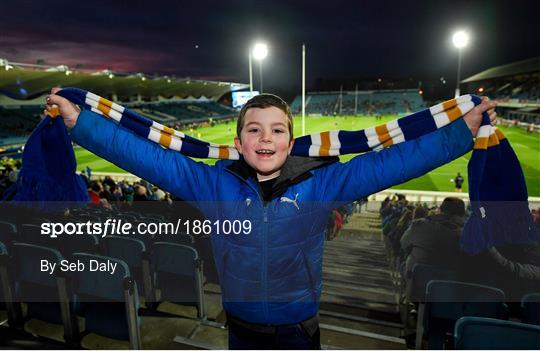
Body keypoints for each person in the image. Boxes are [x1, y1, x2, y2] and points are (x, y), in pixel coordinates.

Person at [46, 88, 496, 349]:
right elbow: (146, 158)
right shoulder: (213, 186)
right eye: (254, 129)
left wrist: (462, 131)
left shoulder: (321, 185)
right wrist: (80, 124)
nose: (266, 137)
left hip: (299, 335)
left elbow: (392, 164)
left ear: (290, 140)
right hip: (240, 333)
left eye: (277, 129)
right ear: (239, 142)